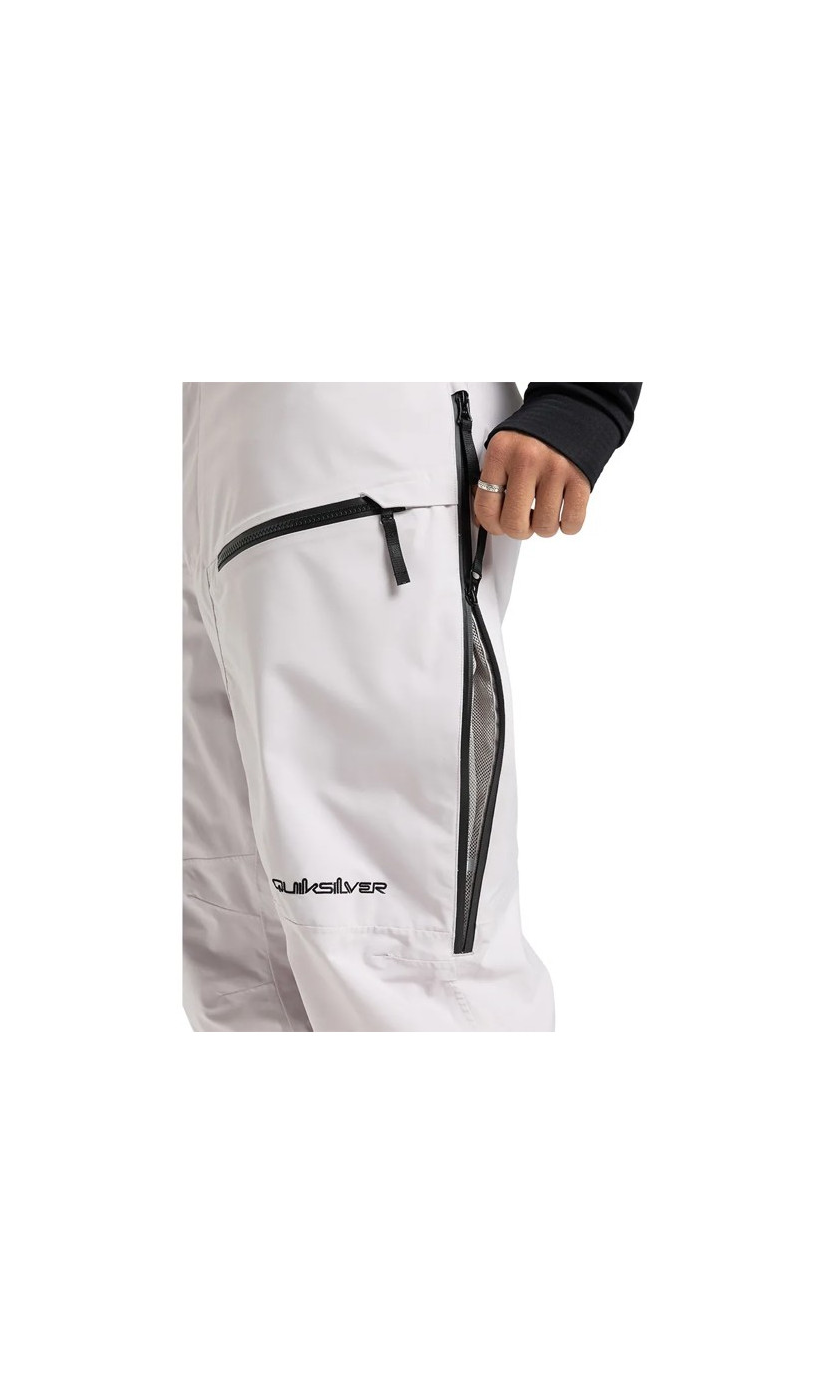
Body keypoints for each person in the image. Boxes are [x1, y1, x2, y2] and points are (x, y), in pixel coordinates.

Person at [183, 382, 642, 1031]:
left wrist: (584, 397)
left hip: (357, 447)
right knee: (236, 953)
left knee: (400, 955)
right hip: (206, 467)